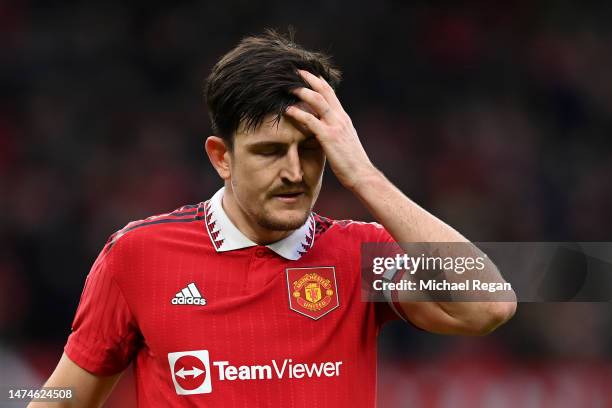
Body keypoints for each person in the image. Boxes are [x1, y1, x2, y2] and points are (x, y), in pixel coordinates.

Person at [29, 29, 516, 407]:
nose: (293, 172)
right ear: (222, 157)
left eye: (310, 151)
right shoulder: (137, 255)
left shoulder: (361, 256)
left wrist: (366, 177)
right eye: (268, 151)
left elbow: (489, 306)